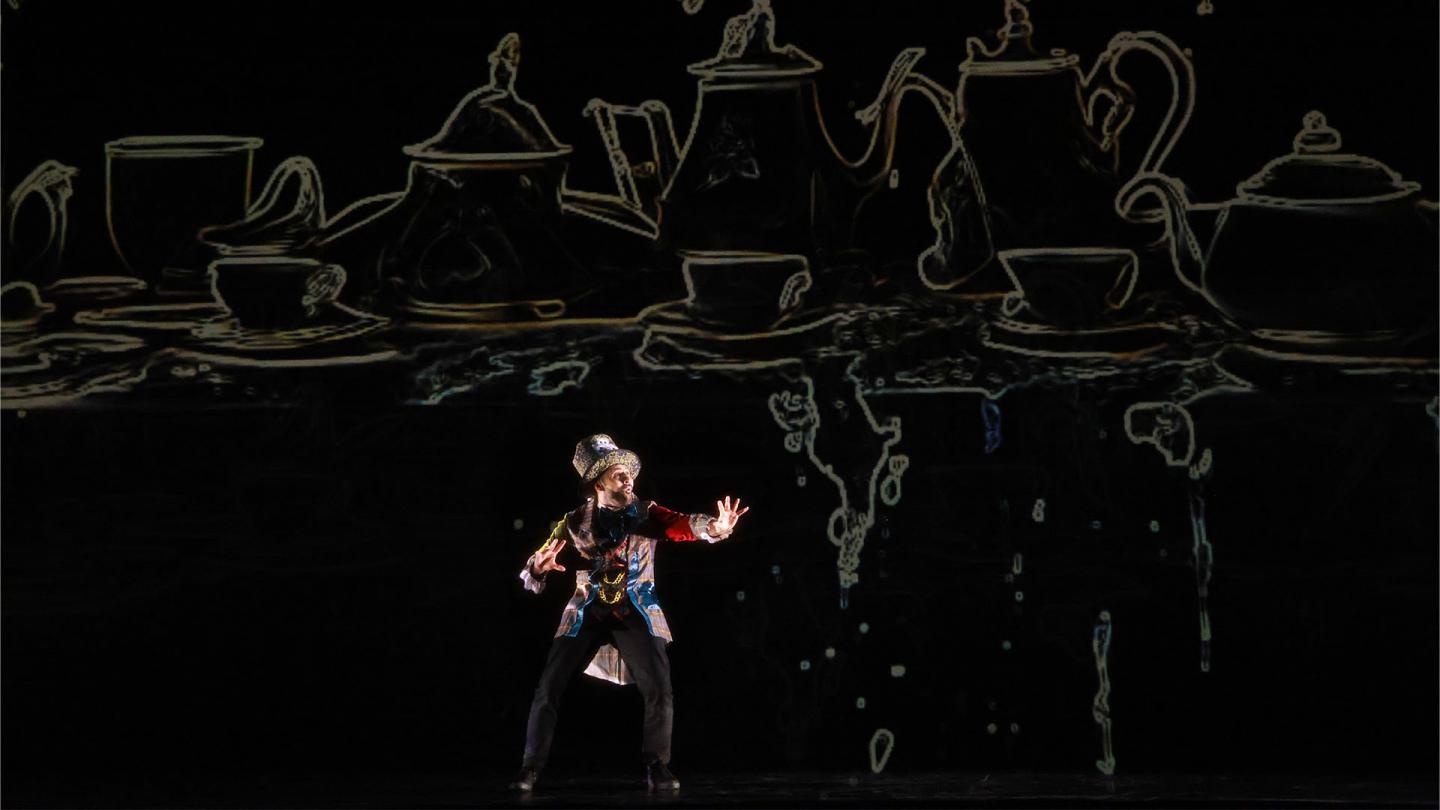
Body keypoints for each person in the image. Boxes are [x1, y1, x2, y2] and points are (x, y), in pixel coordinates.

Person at [511, 434, 749, 792]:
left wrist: (716, 527)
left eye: (628, 473)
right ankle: (530, 769)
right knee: (549, 687)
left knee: (659, 688)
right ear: (599, 482)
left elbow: (685, 525)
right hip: (587, 608)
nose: (627, 479)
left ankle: (658, 766)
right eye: (618, 474)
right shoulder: (574, 521)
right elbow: (538, 561)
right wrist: (540, 568)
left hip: (636, 605)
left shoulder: (647, 513)